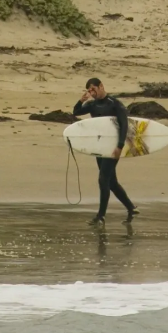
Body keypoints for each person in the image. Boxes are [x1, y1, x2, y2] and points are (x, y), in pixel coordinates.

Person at [72, 76, 137, 225]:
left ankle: (100, 217)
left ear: (101, 86)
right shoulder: (92, 105)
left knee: (103, 180)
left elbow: (124, 126)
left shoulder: (115, 105)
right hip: (100, 147)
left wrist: (120, 146)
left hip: (113, 147)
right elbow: (76, 112)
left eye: (93, 89)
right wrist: (81, 101)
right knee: (111, 182)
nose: (92, 93)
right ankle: (131, 208)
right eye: (89, 91)